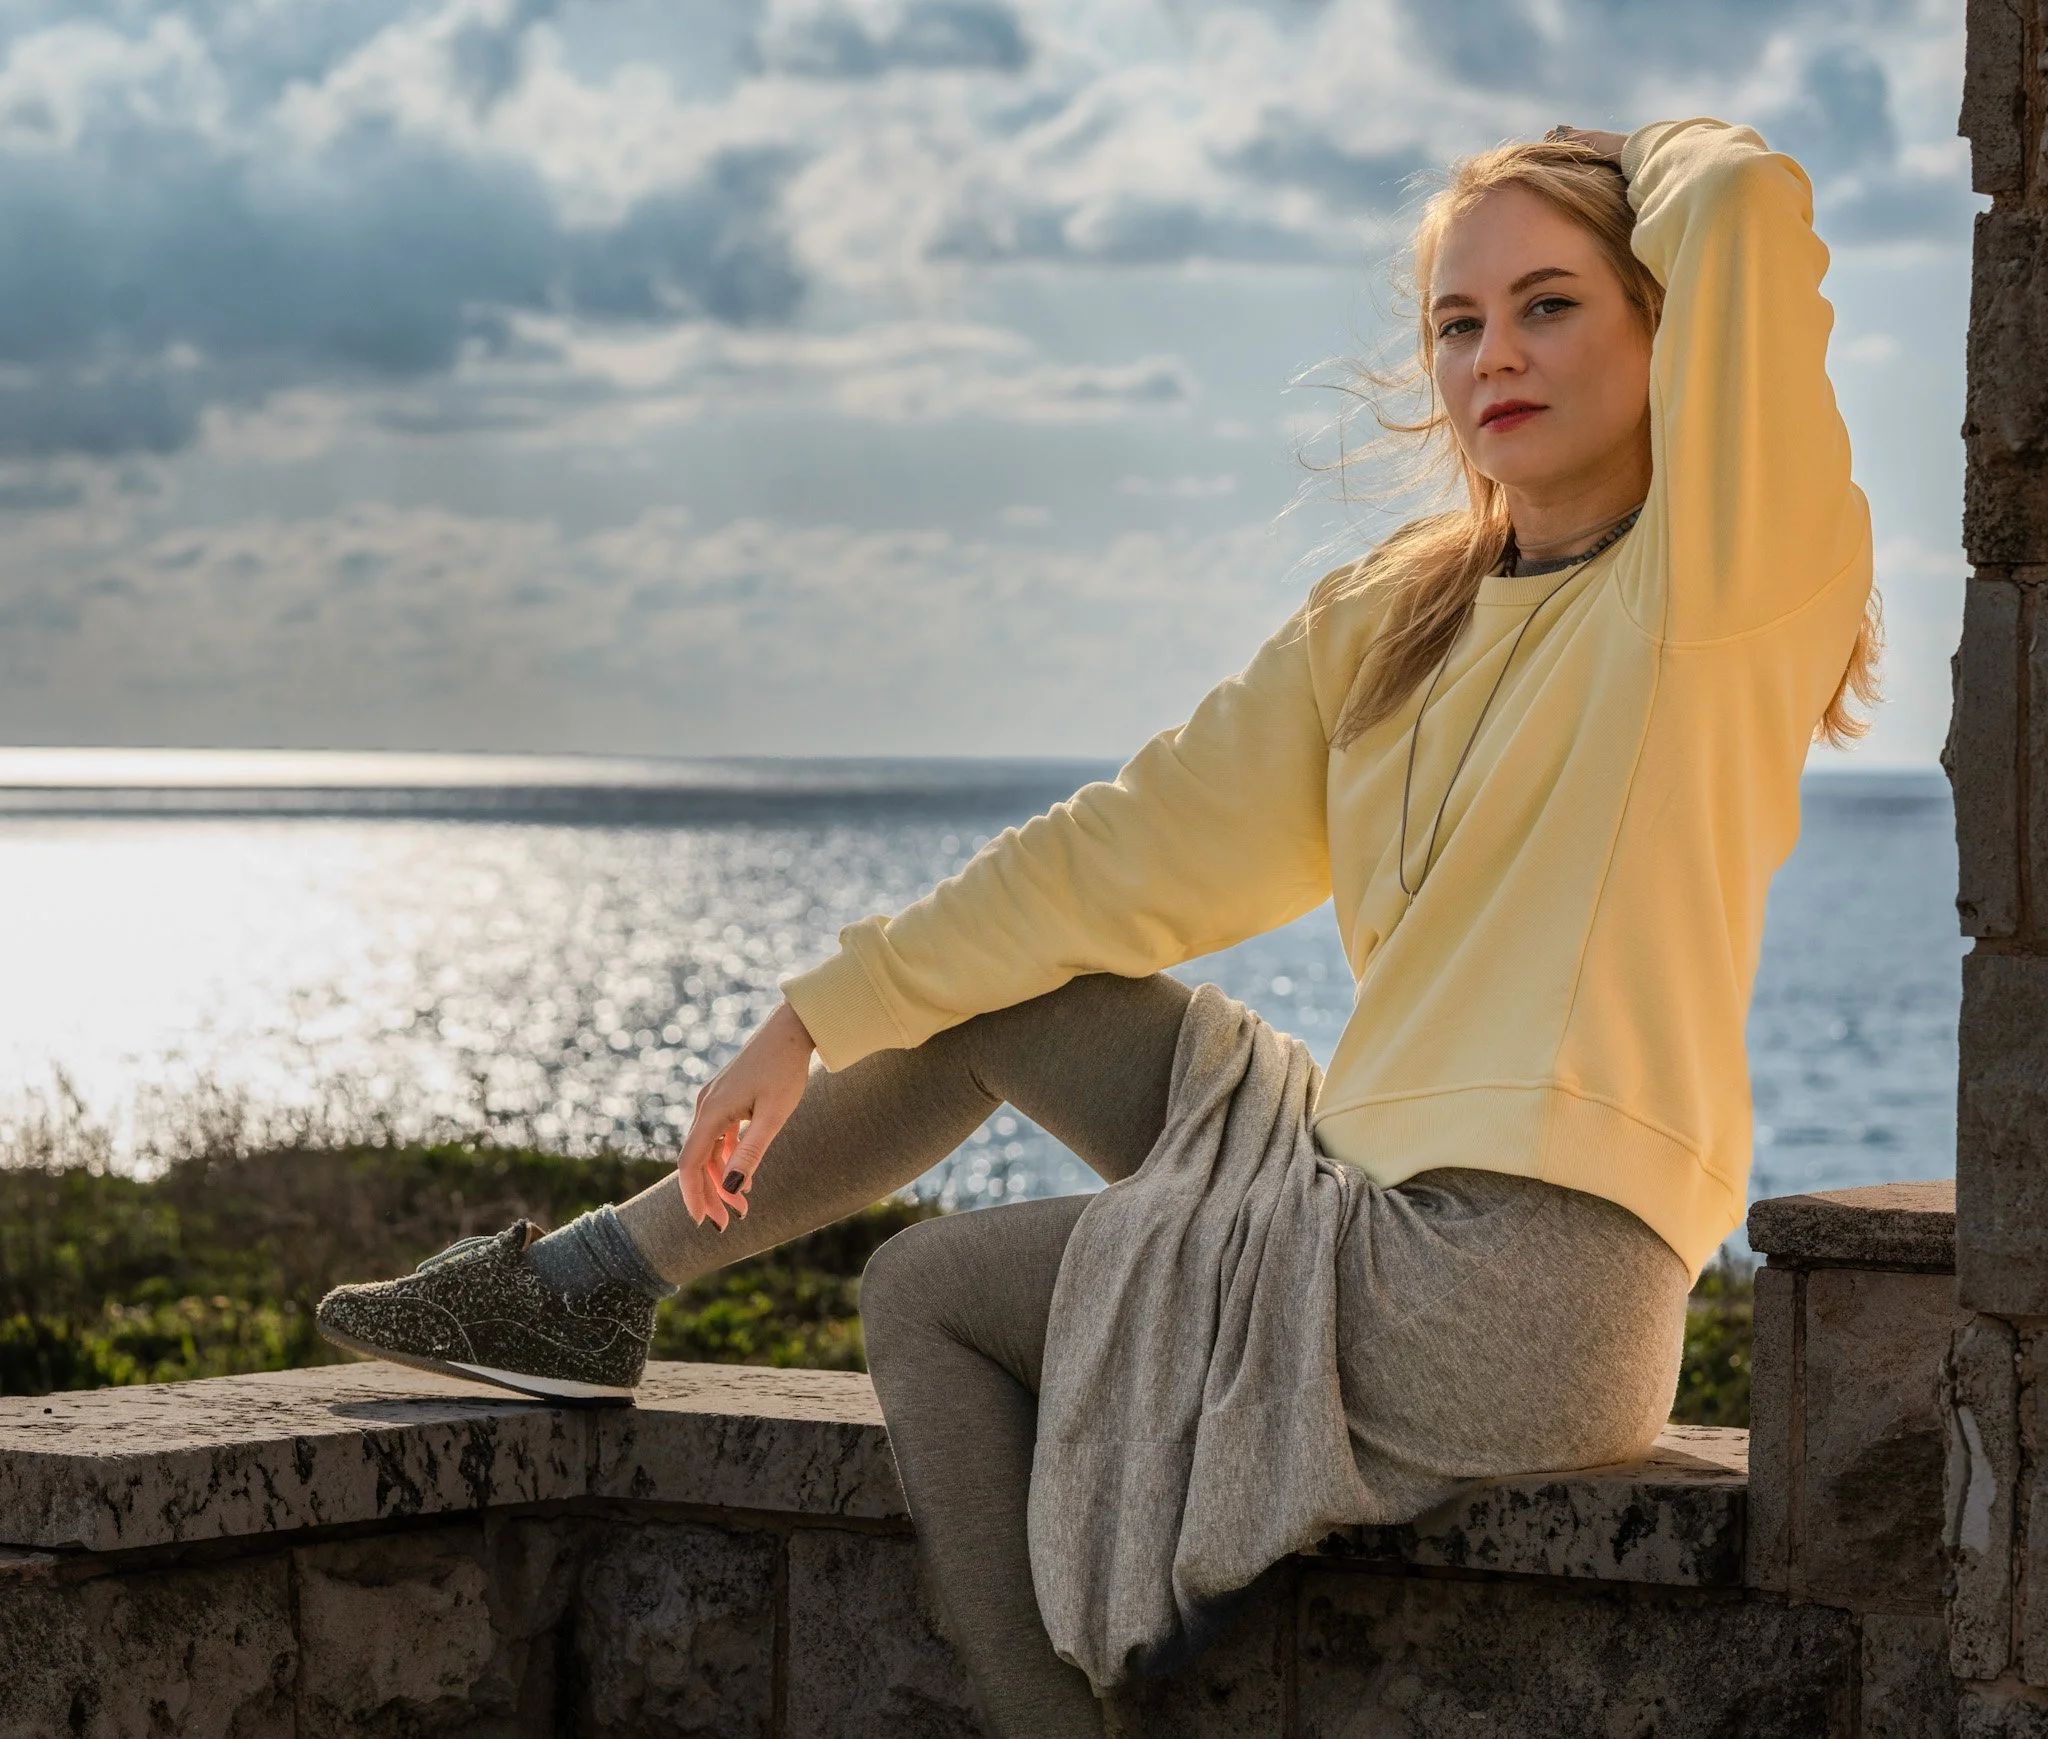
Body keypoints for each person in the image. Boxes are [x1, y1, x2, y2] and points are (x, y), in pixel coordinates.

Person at [317, 116, 1881, 1738]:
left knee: (924, 1295)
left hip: (1524, 1289)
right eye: (1459, 320)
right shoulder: (1397, 621)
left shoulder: (1724, 583)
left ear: (1661, 315)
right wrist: (809, 1016)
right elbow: (1114, 853)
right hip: (1362, 1189)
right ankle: (589, 1279)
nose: (1496, 354)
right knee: (1024, 970)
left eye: (1553, 303)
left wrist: (1629, 152)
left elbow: (1749, 199)